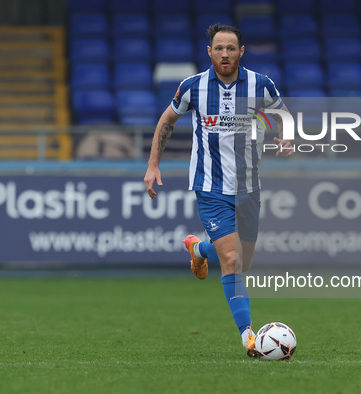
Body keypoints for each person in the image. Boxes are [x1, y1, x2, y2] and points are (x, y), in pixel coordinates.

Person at [143, 23, 292, 358]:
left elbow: (281, 114)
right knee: (233, 259)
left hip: (249, 189)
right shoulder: (192, 87)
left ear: (241, 52)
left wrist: (286, 135)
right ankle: (248, 337)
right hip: (210, 188)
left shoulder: (260, 84)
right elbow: (167, 121)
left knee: (242, 260)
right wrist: (153, 166)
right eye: (219, 48)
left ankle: (198, 250)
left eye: (231, 48)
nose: (225, 53)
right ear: (209, 52)